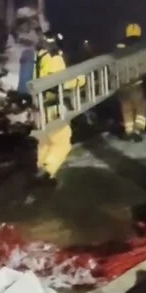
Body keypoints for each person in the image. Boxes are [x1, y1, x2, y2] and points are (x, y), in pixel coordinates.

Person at [33, 30, 85, 182]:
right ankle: (48, 170)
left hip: (40, 105)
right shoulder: (55, 58)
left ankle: (42, 170)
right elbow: (58, 83)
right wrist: (79, 80)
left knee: (45, 141)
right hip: (53, 105)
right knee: (62, 141)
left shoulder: (39, 57)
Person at [116, 22, 146, 142]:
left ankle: (128, 131)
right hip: (135, 82)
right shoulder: (142, 45)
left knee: (126, 108)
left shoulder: (119, 46)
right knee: (141, 106)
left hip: (121, 84)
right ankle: (137, 130)